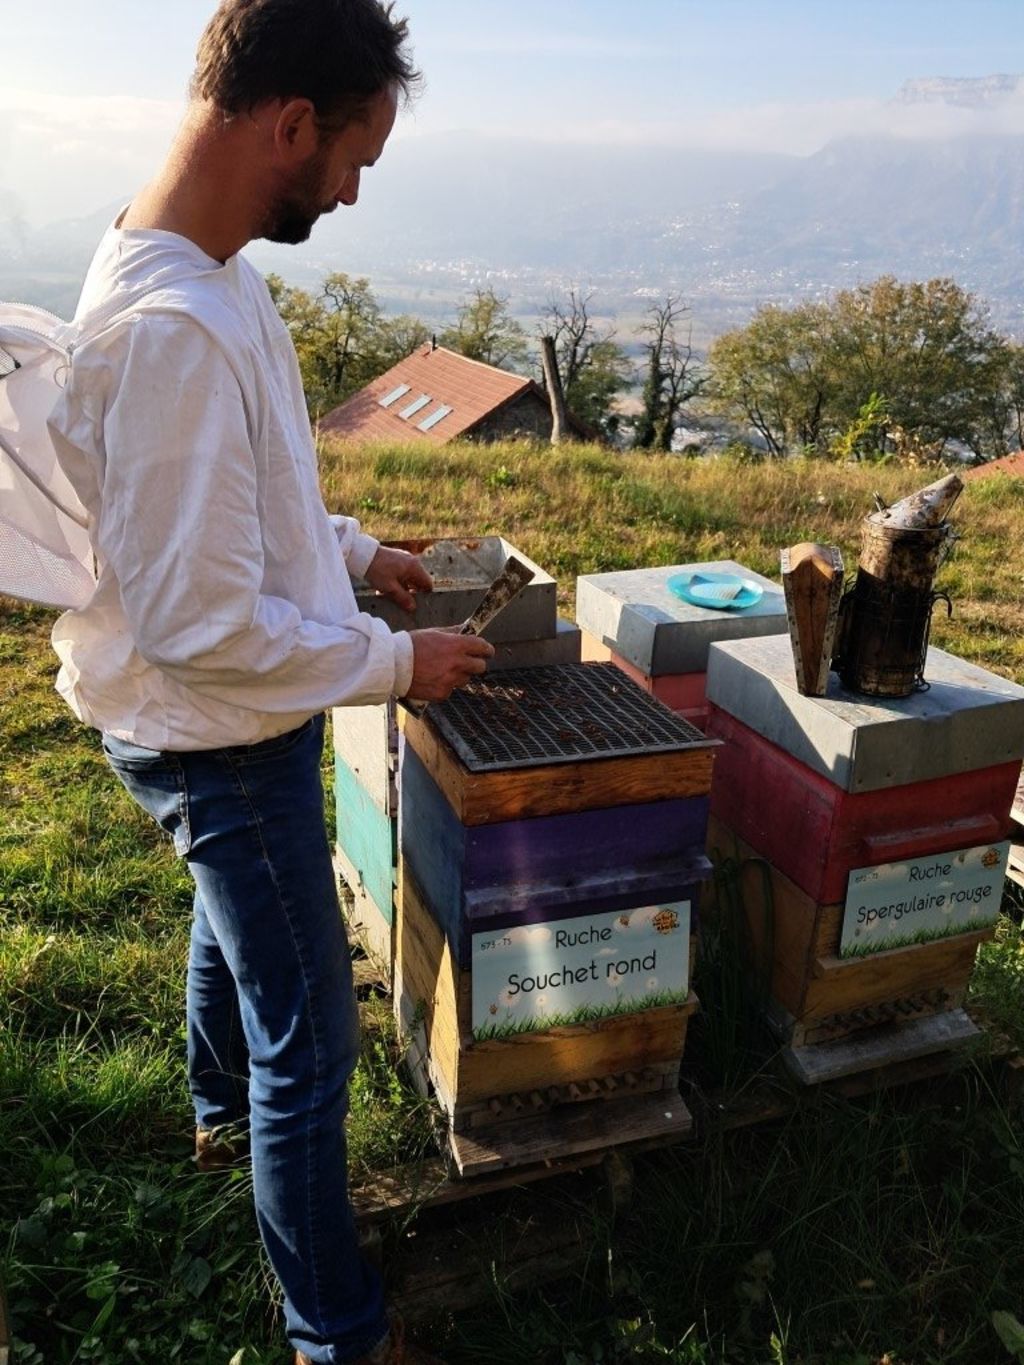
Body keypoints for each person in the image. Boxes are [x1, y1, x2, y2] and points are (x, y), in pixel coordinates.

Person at [46, 2, 492, 1361]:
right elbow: (203, 626)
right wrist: (399, 661)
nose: (352, 190)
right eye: (353, 155)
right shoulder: (170, 331)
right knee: (317, 1038)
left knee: (230, 917)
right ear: (288, 122)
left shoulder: (211, 270)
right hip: (216, 732)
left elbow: (251, 490)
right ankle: (334, 1332)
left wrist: (359, 551)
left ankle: (218, 1117)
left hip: (219, 726)